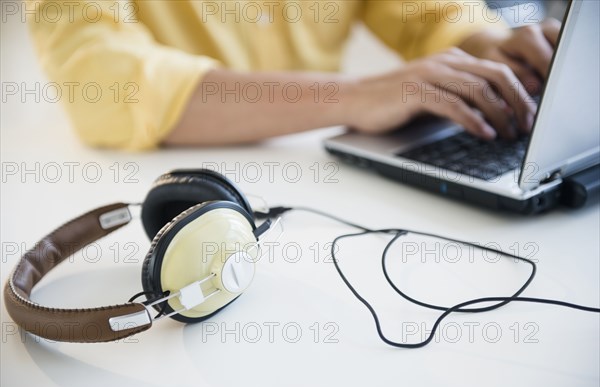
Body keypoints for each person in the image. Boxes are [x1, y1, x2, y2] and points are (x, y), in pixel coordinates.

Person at [26, 0, 560, 150]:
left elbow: (430, 14)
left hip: (321, 189)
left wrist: (497, 51)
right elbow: (103, 85)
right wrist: (355, 97)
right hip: (164, 193)